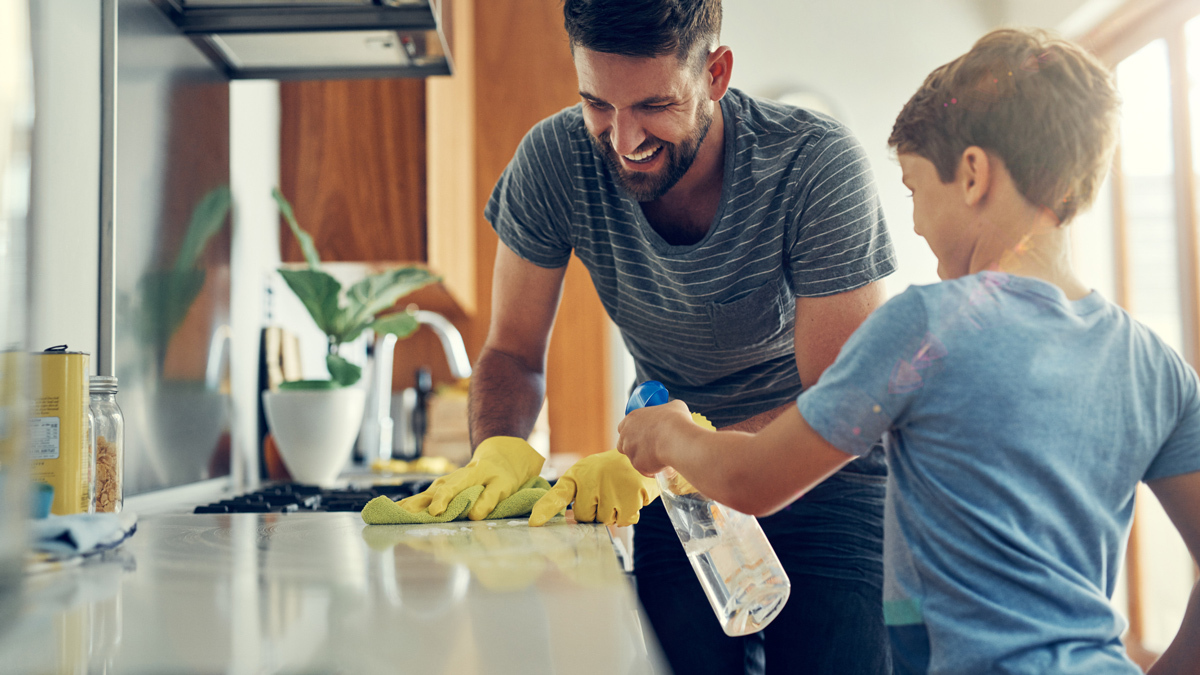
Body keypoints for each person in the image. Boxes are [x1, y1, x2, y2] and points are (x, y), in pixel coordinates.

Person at [617, 27, 1200, 675]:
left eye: (916, 188)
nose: (916, 223)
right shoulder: (1157, 365)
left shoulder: (926, 328)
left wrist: (669, 434)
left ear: (973, 173)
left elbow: (756, 481)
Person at [397, 0, 896, 672]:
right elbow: (512, 352)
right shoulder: (555, 161)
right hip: (675, 487)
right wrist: (498, 455)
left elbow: (839, 403)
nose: (624, 139)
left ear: (715, 74)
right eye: (597, 103)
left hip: (819, 481)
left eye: (655, 105)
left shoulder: (814, 165)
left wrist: (684, 442)